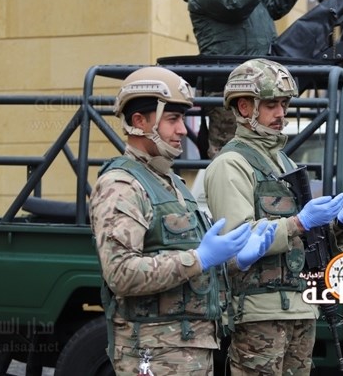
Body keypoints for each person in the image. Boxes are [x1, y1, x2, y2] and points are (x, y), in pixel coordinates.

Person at [90, 66, 277, 376]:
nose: (182, 130)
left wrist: (234, 261)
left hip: (187, 350)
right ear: (140, 121)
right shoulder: (122, 185)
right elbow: (121, 273)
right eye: (173, 119)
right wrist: (199, 258)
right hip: (153, 353)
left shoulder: (173, 184)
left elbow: (194, 267)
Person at [204, 58, 343, 376]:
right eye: (271, 105)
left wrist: (338, 223)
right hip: (259, 311)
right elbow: (236, 240)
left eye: (284, 104)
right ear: (244, 107)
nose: (281, 113)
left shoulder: (281, 160)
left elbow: (304, 236)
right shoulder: (231, 164)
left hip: (299, 306)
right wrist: (299, 222)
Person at [178, 0, 313, 159]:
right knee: (230, 156)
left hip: (256, 86)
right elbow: (235, 3)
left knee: (261, 155)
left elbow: (276, 4)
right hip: (228, 90)